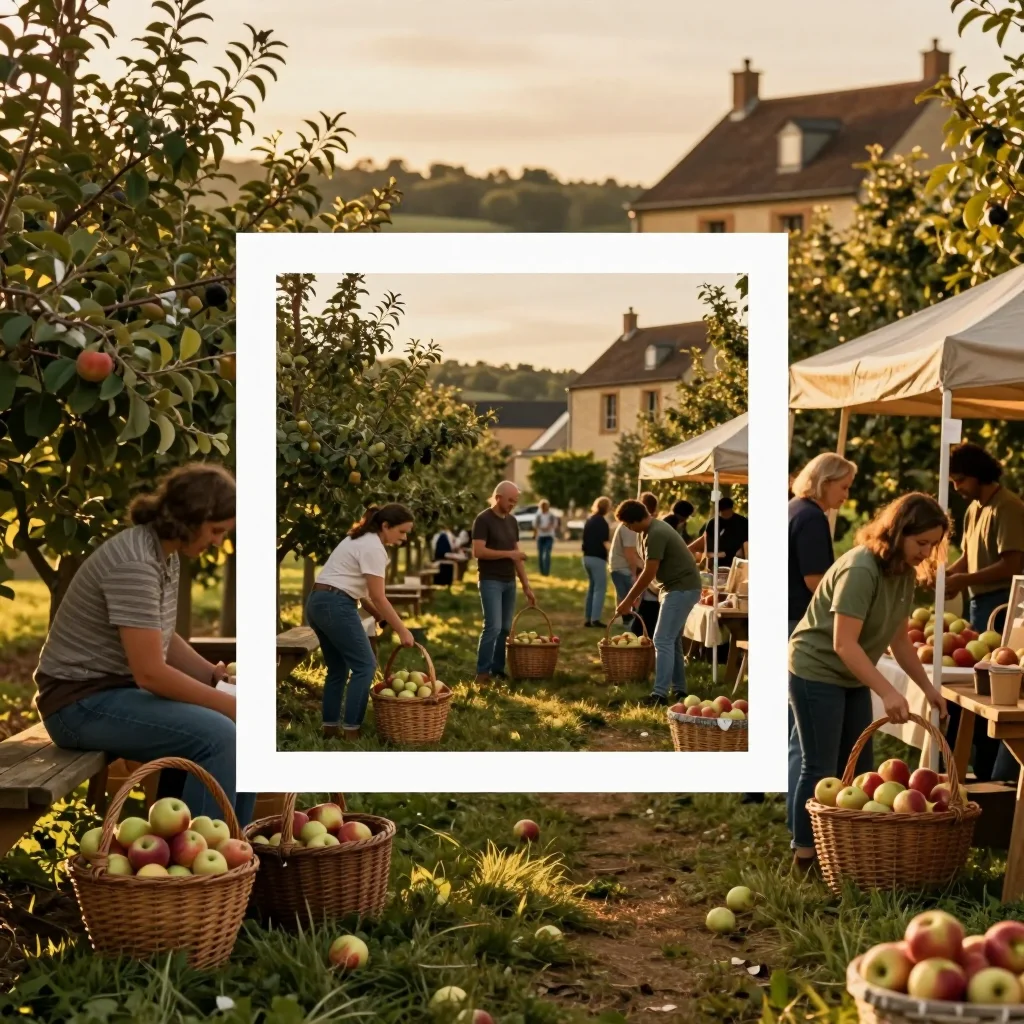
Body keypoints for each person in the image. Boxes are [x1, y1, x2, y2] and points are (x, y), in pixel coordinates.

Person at [33, 463, 254, 825]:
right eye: (215, 530)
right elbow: (151, 673)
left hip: (112, 693)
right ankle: (203, 867)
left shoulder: (161, 553)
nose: (218, 541)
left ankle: (234, 851)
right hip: (78, 704)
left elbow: (160, 634)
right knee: (222, 737)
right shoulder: (134, 562)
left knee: (233, 731)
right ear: (189, 518)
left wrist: (215, 679)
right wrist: (231, 707)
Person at [788, 492, 950, 874]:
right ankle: (805, 856)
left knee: (860, 767)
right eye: (920, 542)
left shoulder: (904, 574)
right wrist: (888, 690)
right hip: (816, 669)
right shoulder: (862, 568)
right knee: (821, 768)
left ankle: (846, 852)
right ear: (897, 532)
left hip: (850, 672)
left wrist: (927, 689)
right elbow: (843, 643)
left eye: (933, 544)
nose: (926, 552)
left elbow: (899, 639)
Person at [774, 453, 857, 813]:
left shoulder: (793, 508)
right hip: (798, 620)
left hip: (783, 615)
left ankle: (790, 796)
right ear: (824, 482)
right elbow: (815, 581)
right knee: (803, 734)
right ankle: (800, 807)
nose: (846, 496)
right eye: (844, 487)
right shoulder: (811, 517)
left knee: (795, 722)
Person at [945, 443, 1024, 782]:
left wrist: (964, 579)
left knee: (992, 693)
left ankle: (996, 775)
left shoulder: (1008, 507)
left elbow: (1012, 564)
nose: (956, 488)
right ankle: (975, 766)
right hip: (979, 604)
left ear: (978, 476)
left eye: (960, 480)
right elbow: (969, 555)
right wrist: (948, 575)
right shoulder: (975, 508)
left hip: (1001, 606)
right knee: (972, 690)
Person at [307, 504, 417, 740]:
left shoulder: (358, 538)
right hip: (336, 605)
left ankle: (330, 729)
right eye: (402, 532)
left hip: (318, 602)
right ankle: (351, 732)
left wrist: (378, 616)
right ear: (386, 526)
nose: (405, 537)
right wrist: (403, 630)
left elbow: (362, 593)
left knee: (337, 669)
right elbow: (378, 596)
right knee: (365, 666)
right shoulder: (374, 548)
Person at [613, 498, 702, 706]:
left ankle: (659, 695)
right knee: (672, 641)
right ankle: (680, 690)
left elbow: (649, 572)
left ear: (635, 520)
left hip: (682, 589)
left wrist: (628, 600)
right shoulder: (647, 531)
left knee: (661, 639)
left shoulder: (657, 533)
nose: (627, 528)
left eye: (627, 524)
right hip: (675, 589)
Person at [472, 481, 536, 685]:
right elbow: (478, 552)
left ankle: (497, 669)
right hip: (490, 580)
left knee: (506, 628)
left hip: (509, 582)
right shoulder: (483, 520)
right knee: (493, 626)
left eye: (515, 501)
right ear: (498, 497)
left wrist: (526, 585)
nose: (512, 505)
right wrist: (509, 554)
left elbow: (516, 556)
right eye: (510, 500)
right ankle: (482, 672)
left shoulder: (512, 521)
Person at [690, 497, 748, 569]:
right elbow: (707, 545)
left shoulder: (742, 522)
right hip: (716, 563)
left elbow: (746, 544)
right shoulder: (713, 523)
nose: (724, 513)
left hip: (737, 561)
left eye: (726, 511)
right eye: (722, 511)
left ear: (731, 509)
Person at [634, 492, 662, 639]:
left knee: (650, 628)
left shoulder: (654, 532)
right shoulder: (648, 529)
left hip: (655, 586)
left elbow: (650, 568)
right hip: (650, 587)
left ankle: (647, 655)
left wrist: (632, 595)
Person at [582, 496, 613, 627]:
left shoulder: (589, 520)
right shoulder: (603, 523)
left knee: (592, 588)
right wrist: (612, 554)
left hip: (586, 557)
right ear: (606, 508)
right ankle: (596, 618)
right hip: (597, 558)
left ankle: (588, 618)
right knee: (600, 589)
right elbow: (604, 542)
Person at [609, 516, 641, 633]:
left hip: (619, 567)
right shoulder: (629, 528)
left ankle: (628, 625)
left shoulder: (626, 526)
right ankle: (632, 629)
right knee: (632, 601)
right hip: (623, 568)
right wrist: (634, 573)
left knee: (625, 599)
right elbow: (629, 554)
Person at [535, 499, 559, 577]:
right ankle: (542, 572)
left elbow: (554, 524)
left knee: (547, 553)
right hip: (541, 536)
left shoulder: (551, 515)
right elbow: (535, 524)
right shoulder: (538, 515)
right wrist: (541, 528)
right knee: (540, 554)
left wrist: (549, 527)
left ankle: (546, 572)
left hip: (549, 536)